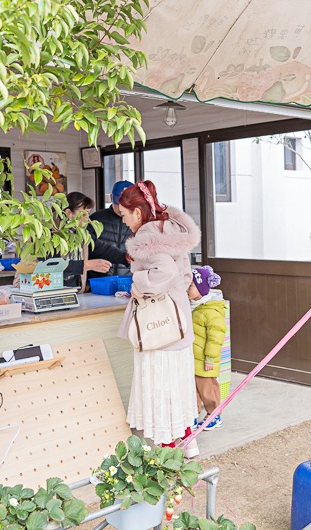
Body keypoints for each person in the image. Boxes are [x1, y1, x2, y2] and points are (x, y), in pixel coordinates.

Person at [115, 180, 200, 456]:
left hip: (158, 327)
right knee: (178, 386)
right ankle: (188, 443)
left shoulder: (147, 234)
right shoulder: (170, 228)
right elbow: (182, 274)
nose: (125, 221)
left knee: (160, 387)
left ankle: (165, 449)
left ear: (137, 212)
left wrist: (137, 282)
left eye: (125, 215)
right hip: (177, 323)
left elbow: (164, 273)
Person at [188, 265, 225, 431]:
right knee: (192, 390)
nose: (186, 288)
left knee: (208, 390)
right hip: (192, 359)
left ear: (202, 288)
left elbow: (215, 338)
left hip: (205, 361)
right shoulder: (193, 306)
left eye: (190, 285)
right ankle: (193, 416)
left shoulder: (211, 311)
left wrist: (210, 358)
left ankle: (214, 415)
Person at [61, 192, 115, 289]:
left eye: (88, 214)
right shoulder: (51, 234)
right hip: (56, 291)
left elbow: (102, 247)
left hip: (76, 290)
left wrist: (126, 257)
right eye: (83, 214)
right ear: (68, 213)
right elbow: (51, 265)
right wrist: (87, 265)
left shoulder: (81, 232)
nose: (87, 219)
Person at [89, 180, 135, 278]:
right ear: (111, 197)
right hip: (99, 280)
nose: (121, 208)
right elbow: (87, 248)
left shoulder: (137, 223)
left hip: (128, 280)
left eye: (126, 204)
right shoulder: (96, 219)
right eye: (118, 203)